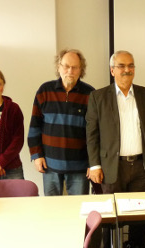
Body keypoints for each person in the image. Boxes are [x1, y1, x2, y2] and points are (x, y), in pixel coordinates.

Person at [86, 50, 145, 248]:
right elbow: (91, 134)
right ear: (112, 70)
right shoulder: (98, 97)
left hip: (141, 166)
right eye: (121, 66)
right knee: (109, 216)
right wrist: (94, 165)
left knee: (140, 216)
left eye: (130, 65)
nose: (126, 70)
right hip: (112, 167)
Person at [28, 49, 95, 196]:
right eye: (66, 66)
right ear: (59, 67)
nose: (70, 70)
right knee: (52, 211)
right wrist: (36, 155)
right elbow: (34, 126)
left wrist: (93, 164)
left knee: (78, 210)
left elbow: (95, 134)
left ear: (80, 70)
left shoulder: (91, 94)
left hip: (80, 166)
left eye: (75, 67)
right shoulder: (44, 91)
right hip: (50, 164)